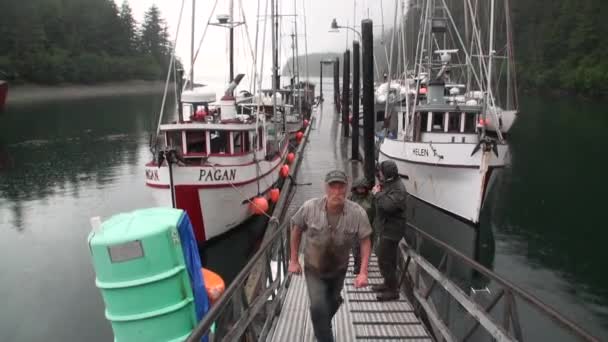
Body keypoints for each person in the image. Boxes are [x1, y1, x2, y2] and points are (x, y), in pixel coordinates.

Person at [288, 170, 372, 342]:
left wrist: (363, 272)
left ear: (347, 189)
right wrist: (294, 260)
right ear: (325, 188)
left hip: (338, 270)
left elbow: (365, 240)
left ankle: (323, 322)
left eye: (341, 187)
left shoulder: (357, 213)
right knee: (318, 307)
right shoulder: (310, 207)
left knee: (331, 303)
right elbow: (296, 229)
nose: (337, 191)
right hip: (314, 269)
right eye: (332, 186)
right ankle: (324, 333)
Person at [371, 160, 407, 301]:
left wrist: (377, 194)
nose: (379, 174)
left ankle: (393, 291)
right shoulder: (390, 183)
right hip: (386, 227)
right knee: (386, 259)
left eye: (381, 172)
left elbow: (387, 206)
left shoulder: (398, 189)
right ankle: (387, 283)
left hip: (393, 230)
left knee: (385, 259)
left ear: (387, 173)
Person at [348, 178, 376, 275]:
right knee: (355, 248)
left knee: (366, 248)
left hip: (368, 227)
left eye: (362, 188)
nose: (360, 190)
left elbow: (376, 212)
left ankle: (364, 266)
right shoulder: (351, 197)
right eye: (358, 188)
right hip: (354, 228)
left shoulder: (371, 197)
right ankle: (357, 266)